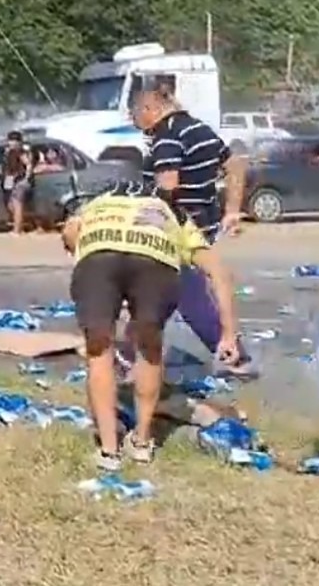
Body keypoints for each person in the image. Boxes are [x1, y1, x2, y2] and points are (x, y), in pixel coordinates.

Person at [61, 181, 240, 471]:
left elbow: (70, 232)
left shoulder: (97, 203)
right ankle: (142, 443)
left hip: (98, 255)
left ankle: (109, 451)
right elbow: (219, 273)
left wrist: (80, 254)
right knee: (149, 346)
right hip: (154, 259)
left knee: (99, 350)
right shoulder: (173, 214)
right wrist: (228, 334)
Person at [130, 88, 253, 377]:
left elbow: (168, 185)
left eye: (135, 116)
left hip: (176, 229)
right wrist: (231, 210)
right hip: (203, 224)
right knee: (164, 292)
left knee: (186, 294)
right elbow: (235, 164)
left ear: (150, 109)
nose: (136, 125)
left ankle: (235, 358)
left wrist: (142, 211)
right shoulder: (200, 129)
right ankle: (131, 351)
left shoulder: (167, 135)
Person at [0, 131, 35, 235]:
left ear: (19, 142)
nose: (12, 143)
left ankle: (17, 230)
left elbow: (28, 164)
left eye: (14, 141)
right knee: (11, 205)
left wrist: (26, 177)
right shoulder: (9, 152)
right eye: (10, 140)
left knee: (17, 205)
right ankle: (23, 224)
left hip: (19, 181)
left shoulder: (21, 152)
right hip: (12, 180)